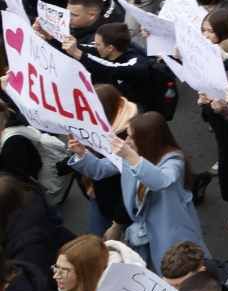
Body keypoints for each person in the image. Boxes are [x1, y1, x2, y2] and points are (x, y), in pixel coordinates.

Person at [65, 111, 206, 268]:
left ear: (148, 140)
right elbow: (100, 169)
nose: (127, 141)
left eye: (132, 137)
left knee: (181, 273)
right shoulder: (135, 153)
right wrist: (82, 153)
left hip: (172, 232)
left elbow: (161, 181)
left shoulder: (174, 159)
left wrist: (131, 157)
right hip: (144, 233)